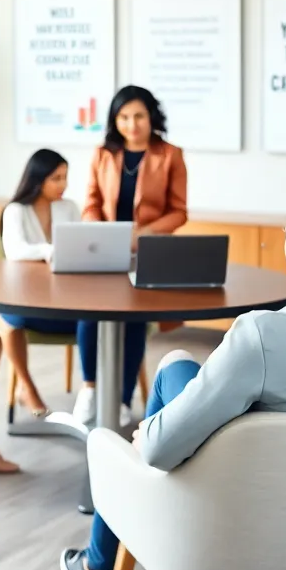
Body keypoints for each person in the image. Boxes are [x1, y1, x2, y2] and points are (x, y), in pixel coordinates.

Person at [59, 173, 286, 570]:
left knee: (172, 371)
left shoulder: (262, 336)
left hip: (241, 524)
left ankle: (99, 566)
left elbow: (159, 453)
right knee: (180, 368)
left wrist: (149, 434)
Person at [76, 85, 187, 425]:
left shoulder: (170, 154)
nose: (131, 123)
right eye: (123, 117)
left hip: (148, 252)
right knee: (89, 311)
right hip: (105, 250)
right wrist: (103, 230)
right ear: (114, 119)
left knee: (135, 320)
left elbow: (179, 211)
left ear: (151, 116)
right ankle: (90, 389)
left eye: (138, 115)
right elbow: (91, 203)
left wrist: (143, 234)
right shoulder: (102, 154)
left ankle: (123, 400)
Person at [0, 149, 79, 473]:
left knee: (95, 321)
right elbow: (16, 251)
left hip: (64, 296)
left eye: (65, 177)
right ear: (38, 179)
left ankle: (93, 395)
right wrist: (53, 251)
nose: (63, 185)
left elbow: (79, 246)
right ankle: (26, 387)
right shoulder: (16, 210)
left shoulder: (68, 208)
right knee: (10, 322)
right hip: (23, 295)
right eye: (56, 178)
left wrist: (50, 253)